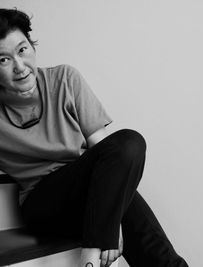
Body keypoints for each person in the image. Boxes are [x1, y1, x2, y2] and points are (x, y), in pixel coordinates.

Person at [0, 8, 188, 267]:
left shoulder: (65, 79)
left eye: (22, 50)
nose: (19, 67)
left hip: (91, 189)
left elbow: (111, 156)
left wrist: (112, 223)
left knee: (129, 143)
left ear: (32, 46)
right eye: (3, 60)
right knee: (126, 195)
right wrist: (110, 229)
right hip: (42, 203)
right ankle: (95, 250)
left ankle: (92, 256)